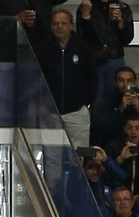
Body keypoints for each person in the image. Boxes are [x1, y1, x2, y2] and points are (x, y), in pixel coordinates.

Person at [35, 8, 98, 149]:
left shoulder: (83, 48)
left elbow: (92, 78)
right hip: (50, 114)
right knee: (52, 159)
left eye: (63, 23)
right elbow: (36, 81)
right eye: (56, 24)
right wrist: (42, 105)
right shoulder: (43, 50)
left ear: (70, 25)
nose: (59, 27)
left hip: (76, 113)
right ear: (51, 26)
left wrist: (87, 104)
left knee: (78, 158)